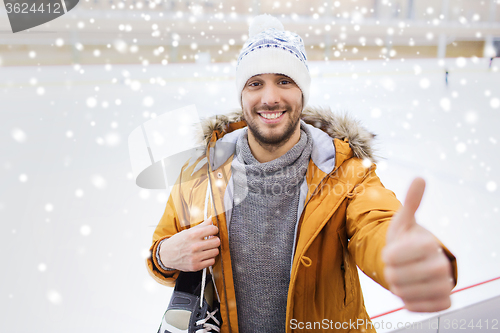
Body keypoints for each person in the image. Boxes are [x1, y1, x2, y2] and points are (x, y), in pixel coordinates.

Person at [147, 14, 457, 333]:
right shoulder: (201, 172)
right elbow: (160, 254)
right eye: (256, 83)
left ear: (303, 93)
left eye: (285, 81)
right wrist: (166, 254)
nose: (270, 98)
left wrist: (399, 253)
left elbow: (376, 223)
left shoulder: (344, 169)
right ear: (241, 95)